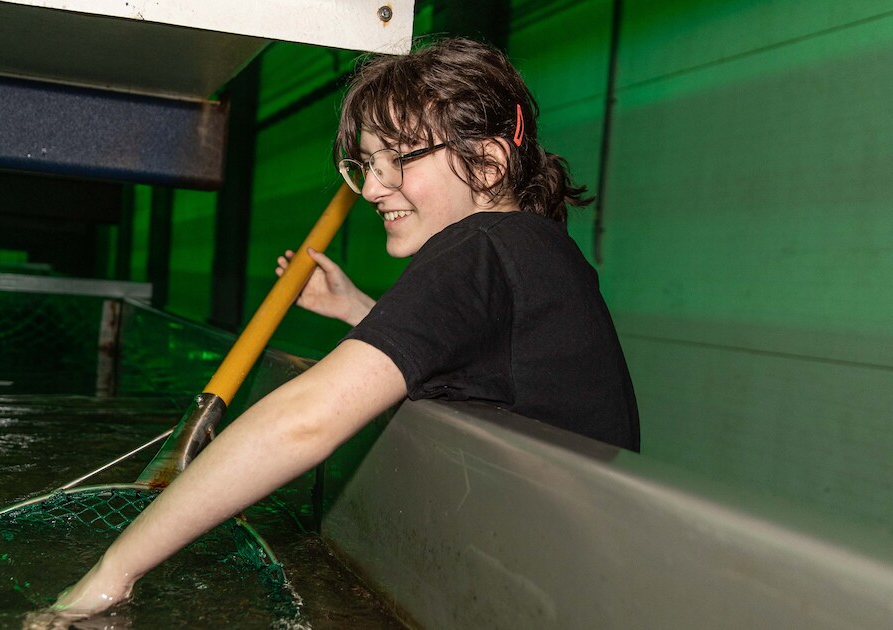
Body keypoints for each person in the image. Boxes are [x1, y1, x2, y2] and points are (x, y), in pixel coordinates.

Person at [43, 36, 638, 622]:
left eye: (398, 159)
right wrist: (360, 309)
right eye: (366, 165)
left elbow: (306, 422)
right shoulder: (535, 253)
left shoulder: (483, 245)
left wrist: (109, 575)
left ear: (485, 163)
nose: (374, 189)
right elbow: (491, 366)